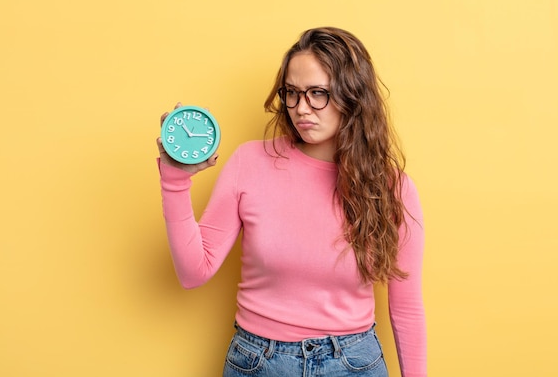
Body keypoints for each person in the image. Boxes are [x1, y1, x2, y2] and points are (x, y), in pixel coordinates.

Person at [156, 27, 426, 377]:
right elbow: (194, 272)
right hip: (258, 362)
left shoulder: (391, 188)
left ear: (353, 95)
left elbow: (406, 308)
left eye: (318, 93)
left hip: (353, 363)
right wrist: (175, 179)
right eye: (292, 93)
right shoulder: (249, 162)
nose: (301, 108)